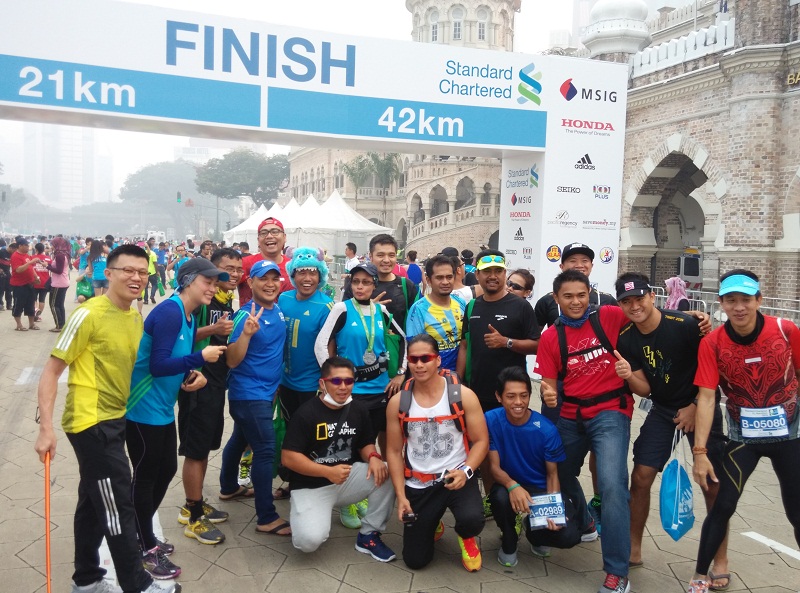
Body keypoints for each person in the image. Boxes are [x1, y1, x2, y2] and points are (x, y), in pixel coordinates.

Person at [34, 244, 181, 593]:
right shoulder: (89, 314)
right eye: (127, 270)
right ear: (109, 273)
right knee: (118, 503)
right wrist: (45, 429)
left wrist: (186, 376)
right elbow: (52, 370)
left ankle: (86, 580)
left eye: (142, 272)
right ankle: (138, 584)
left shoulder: (133, 316)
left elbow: (137, 368)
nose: (136, 277)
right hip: (90, 422)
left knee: (94, 501)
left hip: (116, 418)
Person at [687, 270, 800, 593]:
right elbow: (707, 398)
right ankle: (698, 577)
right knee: (723, 506)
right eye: (731, 301)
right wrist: (700, 453)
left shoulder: (786, 330)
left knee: (797, 512)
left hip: (789, 437)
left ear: (759, 300)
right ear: (721, 304)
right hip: (742, 439)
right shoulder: (713, 343)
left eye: (746, 300)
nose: (739, 307)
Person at [612, 273, 728, 584]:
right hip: (663, 410)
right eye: (626, 302)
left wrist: (693, 406)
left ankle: (720, 559)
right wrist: (626, 375)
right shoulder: (626, 337)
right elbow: (645, 389)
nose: (634, 306)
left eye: (639, 298)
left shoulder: (686, 325)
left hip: (700, 406)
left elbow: (713, 371)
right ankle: (634, 548)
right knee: (641, 476)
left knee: (712, 483)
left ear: (652, 296)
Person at [126, 258, 228, 577]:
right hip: (143, 408)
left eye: (216, 282)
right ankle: (142, 546)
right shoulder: (170, 311)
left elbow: (172, 359)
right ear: (186, 281)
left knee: (167, 468)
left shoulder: (187, 313)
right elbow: (157, 365)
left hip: (161, 407)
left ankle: (140, 533)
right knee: (145, 477)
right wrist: (201, 357)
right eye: (207, 281)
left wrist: (191, 373)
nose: (213, 287)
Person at [535, 269, 633, 593]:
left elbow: (646, 317)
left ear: (589, 294)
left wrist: (691, 319)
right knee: (555, 471)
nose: (576, 302)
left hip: (610, 412)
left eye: (581, 295)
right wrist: (547, 394)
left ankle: (617, 571)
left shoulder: (609, 317)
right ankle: (586, 521)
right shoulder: (551, 336)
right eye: (568, 296)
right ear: (556, 299)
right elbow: (548, 385)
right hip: (570, 414)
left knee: (612, 485)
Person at [385, 335, 489, 572]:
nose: (419, 364)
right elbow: (392, 451)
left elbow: (482, 441)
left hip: (456, 476)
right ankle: (433, 522)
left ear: (438, 360)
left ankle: (466, 536)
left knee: (472, 519)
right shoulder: (399, 403)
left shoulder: (463, 396)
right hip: (419, 482)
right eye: (414, 359)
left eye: (426, 358)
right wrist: (401, 496)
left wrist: (466, 471)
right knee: (415, 561)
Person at [314, 262, 407, 527]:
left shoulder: (383, 311)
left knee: (381, 446)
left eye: (366, 282)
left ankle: (375, 495)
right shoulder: (342, 309)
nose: (361, 287)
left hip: (380, 390)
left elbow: (404, 341)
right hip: (351, 393)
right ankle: (348, 503)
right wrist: (332, 379)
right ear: (350, 284)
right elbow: (321, 343)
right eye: (356, 282)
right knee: (349, 447)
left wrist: (400, 373)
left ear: (374, 285)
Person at [281, 356, 397, 561]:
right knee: (308, 542)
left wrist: (373, 456)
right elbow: (288, 458)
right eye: (336, 381)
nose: (343, 387)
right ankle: (304, 513)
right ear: (322, 383)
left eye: (349, 381)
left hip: (346, 478)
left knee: (388, 471)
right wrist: (328, 472)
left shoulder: (358, 408)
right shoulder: (306, 413)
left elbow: (365, 443)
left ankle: (369, 535)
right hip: (311, 485)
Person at [220, 259, 291, 536]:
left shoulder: (278, 310)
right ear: (250, 283)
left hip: (264, 393)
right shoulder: (246, 316)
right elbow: (232, 361)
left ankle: (228, 487)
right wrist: (247, 335)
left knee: (240, 438)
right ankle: (266, 516)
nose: (270, 284)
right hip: (249, 395)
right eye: (263, 278)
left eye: (275, 278)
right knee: (264, 451)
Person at [176, 249, 242, 546]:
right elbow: (182, 335)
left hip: (216, 383)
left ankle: (196, 501)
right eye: (227, 269)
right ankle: (192, 515)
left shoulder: (227, 299)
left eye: (238, 268)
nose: (234, 274)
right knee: (195, 448)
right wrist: (214, 329)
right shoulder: (201, 301)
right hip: (198, 383)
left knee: (204, 447)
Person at [486, 366, 582, 567]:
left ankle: (535, 533)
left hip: (540, 489)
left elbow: (552, 474)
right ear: (499, 397)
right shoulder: (491, 420)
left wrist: (552, 510)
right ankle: (509, 539)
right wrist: (513, 486)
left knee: (569, 536)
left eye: (524, 395)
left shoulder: (546, 429)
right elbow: (494, 468)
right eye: (511, 396)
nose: (518, 402)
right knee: (499, 497)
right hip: (509, 483)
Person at [456, 250, 540, 412]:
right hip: (476, 392)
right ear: (477, 275)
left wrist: (506, 342)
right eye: (487, 271)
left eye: (498, 271)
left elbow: (537, 345)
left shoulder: (521, 306)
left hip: (510, 395)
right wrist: (459, 381)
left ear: (504, 274)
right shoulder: (472, 306)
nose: (493, 276)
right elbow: (465, 346)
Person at [342, 234, 419, 330]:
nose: (386, 260)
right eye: (380, 255)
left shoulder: (407, 286)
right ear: (370, 256)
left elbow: (416, 322)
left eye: (391, 255)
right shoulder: (356, 285)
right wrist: (365, 308)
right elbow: (343, 318)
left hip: (396, 343)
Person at [405, 254, 465, 372]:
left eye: (449, 277)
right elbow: (414, 350)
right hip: (432, 377)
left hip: (460, 376)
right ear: (428, 280)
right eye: (439, 278)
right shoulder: (418, 309)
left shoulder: (461, 303)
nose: (445, 282)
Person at [238, 217, 292, 304]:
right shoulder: (244, 263)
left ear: (284, 237)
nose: (269, 236)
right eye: (263, 233)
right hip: (252, 317)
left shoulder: (293, 266)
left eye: (275, 232)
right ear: (258, 240)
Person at [10, 237, 41, 331]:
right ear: (20, 246)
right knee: (18, 304)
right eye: (26, 245)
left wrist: (36, 277)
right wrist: (30, 262)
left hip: (30, 284)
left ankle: (32, 324)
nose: (28, 247)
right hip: (19, 285)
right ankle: (19, 325)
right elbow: (18, 270)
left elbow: (31, 268)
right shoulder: (15, 256)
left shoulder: (27, 255)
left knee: (30, 305)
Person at [47, 236, 71, 332]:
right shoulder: (65, 254)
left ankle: (58, 325)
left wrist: (47, 267)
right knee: (60, 304)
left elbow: (59, 271)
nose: (52, 246)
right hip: (63, 282)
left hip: (58, 283)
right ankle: (62, 324)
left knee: (53, 305)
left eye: (53, 244)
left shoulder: (59, 255)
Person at [32, 242, 52, 322]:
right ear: (43, 249)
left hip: (34, 281)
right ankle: (38, 316)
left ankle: (35, 312)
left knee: (33, 299)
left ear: (35, 249)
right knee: (42, 300)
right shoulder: (48, 259)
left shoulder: (32, 257)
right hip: (45, 282)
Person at [0, 238, 12, 311]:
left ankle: (9, 305)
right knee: (1, 290)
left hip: (8, 273)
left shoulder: (13, 254)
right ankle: (1, 304)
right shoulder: (1, 251)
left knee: (9, 290)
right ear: (10, 248)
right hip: (1, 273)